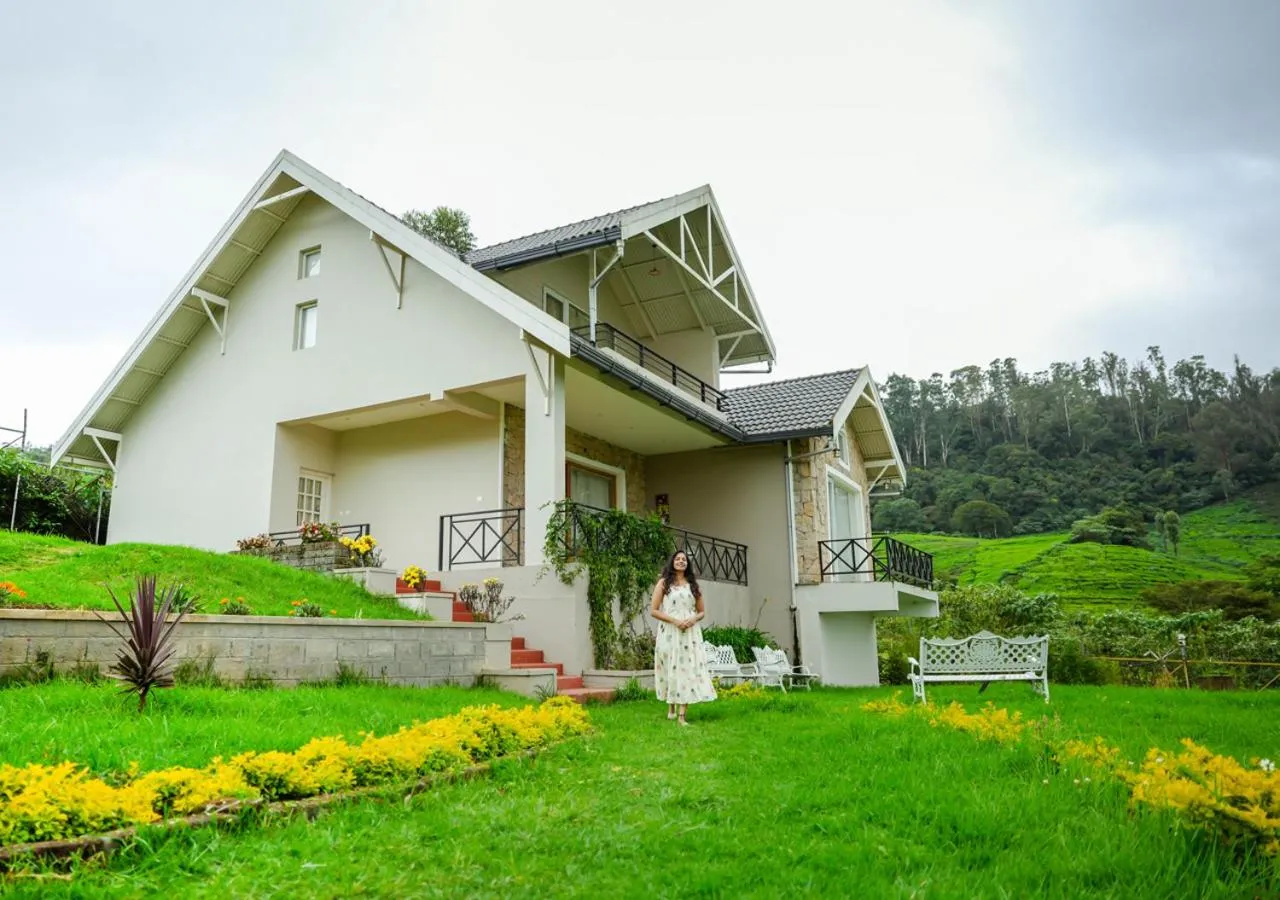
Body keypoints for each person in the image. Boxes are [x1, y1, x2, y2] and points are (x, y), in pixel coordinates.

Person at [650, 549, 716, 725]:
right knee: (670, 668)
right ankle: (671, 708)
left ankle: (681, 716)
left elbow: (701, 611)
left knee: (686, 669)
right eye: (678, 559)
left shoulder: (693, 585)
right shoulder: (664, 583)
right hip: (669, 632)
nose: (681, 561)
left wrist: (692, 619)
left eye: (684, 559)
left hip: (689, 634)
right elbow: (654, 610)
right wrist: (675, 621)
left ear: (687, 564)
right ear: (672, 562)